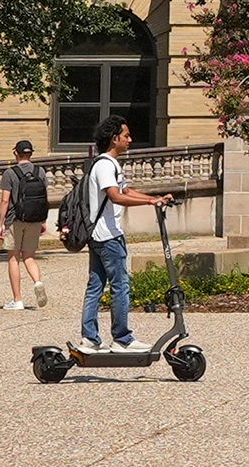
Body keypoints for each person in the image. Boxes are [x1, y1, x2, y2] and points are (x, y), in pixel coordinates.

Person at [78, 117, 173, 352]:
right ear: (114, 139)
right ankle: (122, 338)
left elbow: (126, 190)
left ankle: (90, 338)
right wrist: (150, 201)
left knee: (96, 286)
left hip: (101, 235)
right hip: (108, 236)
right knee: (121, 285)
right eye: (126, 136)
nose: (130, 140)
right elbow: (116, 196)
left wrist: (154, 199)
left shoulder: (110, 164)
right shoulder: (104, 165)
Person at [0, 139, 49, 311]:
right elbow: (44, 198)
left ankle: (17, 300)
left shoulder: (10, 173)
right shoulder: (39, 171)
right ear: (31, 153)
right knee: (29, 257)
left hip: (15, 219)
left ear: (15, 153)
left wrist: (0, 224)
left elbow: (5, 200)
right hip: (34, 219)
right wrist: (43, 220)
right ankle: (37, 282)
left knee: (13, 257)